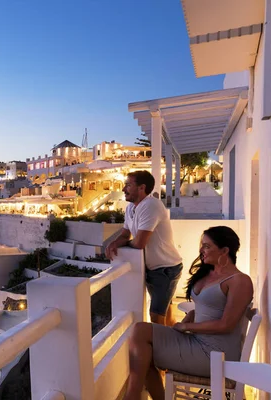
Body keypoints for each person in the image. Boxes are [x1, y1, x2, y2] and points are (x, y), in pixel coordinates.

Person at [122, 226, 253, 400]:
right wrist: (191, 316)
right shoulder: (210, 272)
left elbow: (226, 324)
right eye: (202, 245)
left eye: (207, 246)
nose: (201, 250)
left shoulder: (240, 281)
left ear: (224, 250)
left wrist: (186, 326)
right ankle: (133, 394)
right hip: (197, 341)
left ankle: (132, 395)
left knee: (143, 352)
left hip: (215, 355)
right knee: (140, 336)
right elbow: (205, 306)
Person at [106, 171, 183, 326]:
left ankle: (161, 348)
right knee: (164, 310)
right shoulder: (130, 209)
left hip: (166, 268)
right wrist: (113, 243)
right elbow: (125, 235)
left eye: (128, 185)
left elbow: (139, 243)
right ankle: (173, 339)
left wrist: (123, 244)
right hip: (152, 268)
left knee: (156, 315)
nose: (123, 189)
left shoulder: (151, 205)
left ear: (142, 188)